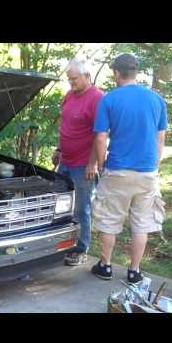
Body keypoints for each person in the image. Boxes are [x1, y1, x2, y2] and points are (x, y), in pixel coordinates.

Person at [91, 53, 168, 284]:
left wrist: (101, 165)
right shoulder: (157, 99)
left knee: (109, 219)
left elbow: (100, 138)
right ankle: (134, 271)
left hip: (118, 170)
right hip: (147, 173)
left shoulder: (109, 99)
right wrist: (154, 166)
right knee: (142, 223)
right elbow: (160, 138)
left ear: (116, 73)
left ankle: (105, 266)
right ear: (136, 72)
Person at [53, 58, 104, 265]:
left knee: (81, 208)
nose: (71, 83)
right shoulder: (69, 95)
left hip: (84, 164)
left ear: (87, 76)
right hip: (65, 160)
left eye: (74, 79)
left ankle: (81, 248)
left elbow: (100, 134)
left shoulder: (97, 98)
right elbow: (64, 124)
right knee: (60, 205)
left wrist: (93, 163)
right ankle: (61, 243)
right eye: (69, 80)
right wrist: (58, 149)